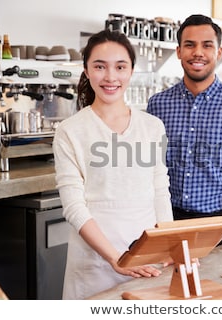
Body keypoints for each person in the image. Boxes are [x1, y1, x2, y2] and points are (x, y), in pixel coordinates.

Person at [53, 29, 173, 300]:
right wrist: (114, 256)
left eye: (120, 67)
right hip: (94, 266)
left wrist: (170, 246)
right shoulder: (70, 131)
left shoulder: (152, 127)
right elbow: (74, 206)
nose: (110, 77)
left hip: (147, 260)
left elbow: (159, 191)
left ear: (131, 71)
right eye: (99, 66)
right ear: (86, 70)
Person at [147, 14, 222, 255]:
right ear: (179, 51)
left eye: (207, 45)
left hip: (220, 224)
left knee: (219, 289)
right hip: (167, 220)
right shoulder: (157, 105)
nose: (198, 52)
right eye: (190, 45)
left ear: (219, 52)